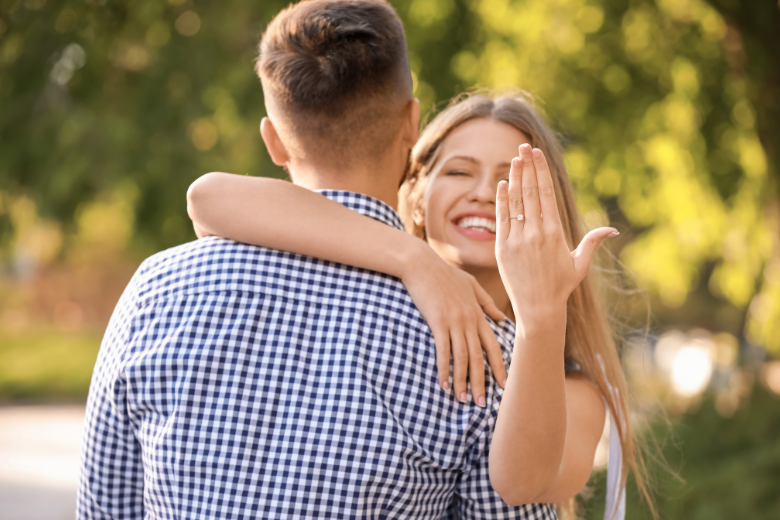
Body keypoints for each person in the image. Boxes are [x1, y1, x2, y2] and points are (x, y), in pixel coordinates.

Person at [77, 1, 555, 518]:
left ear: (274, 141)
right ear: (411, 124)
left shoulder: (156, 291)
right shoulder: (477, 342)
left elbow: (105, 506)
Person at [187, 92, 655, 518]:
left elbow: (523, 483)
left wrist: (541, 315)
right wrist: (414, 260)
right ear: (417, 196)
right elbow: (209, 198)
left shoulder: (576, 383)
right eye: (458, 171)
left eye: (511, 180)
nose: (482, 192)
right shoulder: (380, 294)